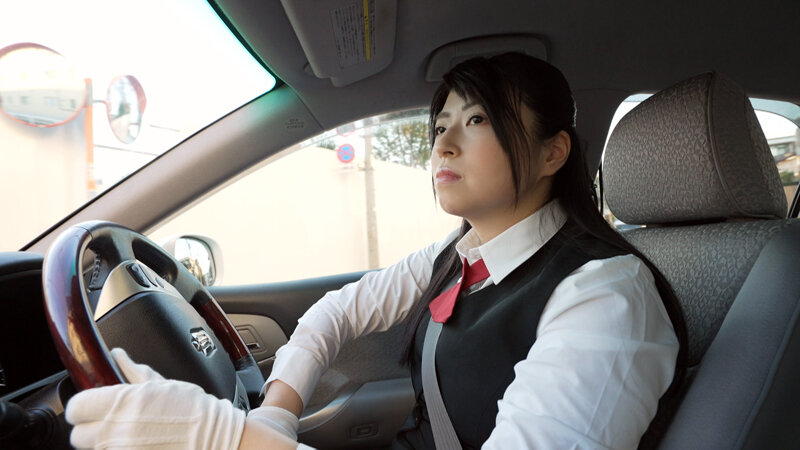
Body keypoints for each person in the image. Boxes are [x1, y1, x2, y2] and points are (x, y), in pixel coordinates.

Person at [66, 53, 687, 450]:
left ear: (553, 152)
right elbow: (336, 312)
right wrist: (275, 414)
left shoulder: (608, 298)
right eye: (440, 124)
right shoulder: (459, 253)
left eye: (477, 120)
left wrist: (227, 440)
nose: (443, 143)